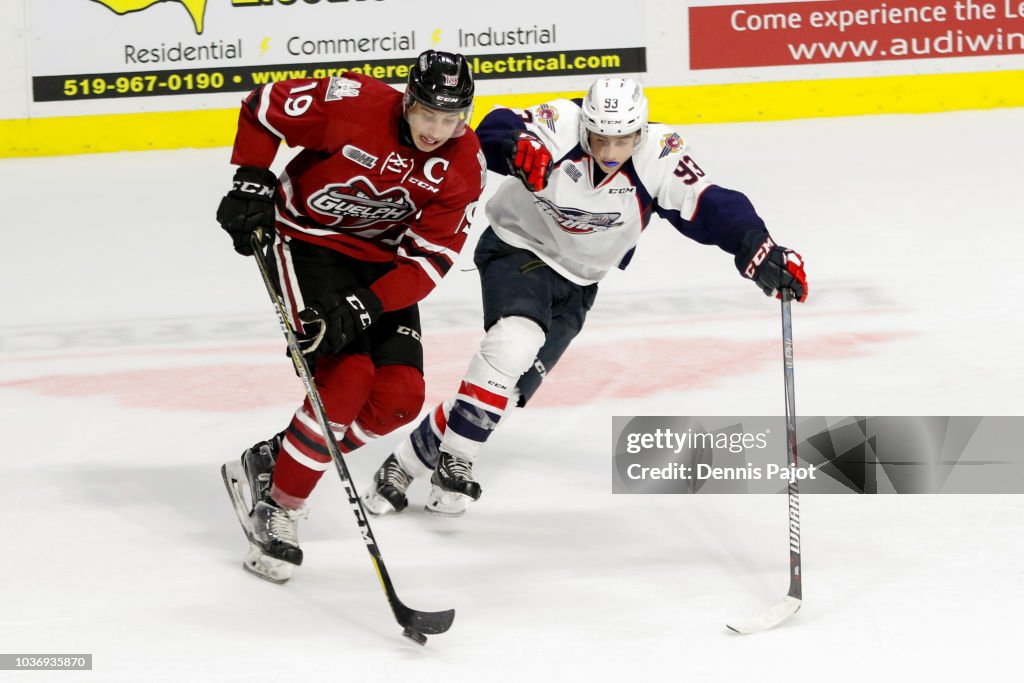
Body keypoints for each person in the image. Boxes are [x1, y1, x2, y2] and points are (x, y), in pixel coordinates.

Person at [360, 76, 808, 518]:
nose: (611, 153)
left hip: (580, 279)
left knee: (507, 389)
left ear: (642, 130)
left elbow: (712, 203)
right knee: (512, 343)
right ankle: (457, 456)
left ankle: (404, 463)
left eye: (623, 140)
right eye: (599, 139)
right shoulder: (561, 120)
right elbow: (496, 128)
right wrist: (517, 147)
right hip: (519, 246)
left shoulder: (660, 152)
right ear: (585, 126)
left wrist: (757, 246)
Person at [215, 50, 485, 583]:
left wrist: (370, 303)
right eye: (427, 113)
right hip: (307, 245)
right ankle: (278, 504)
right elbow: (263, 107)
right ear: (408, 100)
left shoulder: (463, 164)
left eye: (449, 119)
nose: (435, 130)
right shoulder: (351, 103)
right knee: (347, 379)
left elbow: (432, 258)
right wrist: (251, 177)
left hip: (381, 267)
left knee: (399, 399)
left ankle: (277, 456)